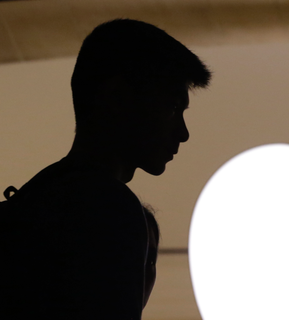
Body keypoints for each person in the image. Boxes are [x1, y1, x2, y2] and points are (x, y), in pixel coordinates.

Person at [1, 19, 211, 319]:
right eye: (173, 108)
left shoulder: (33, 201)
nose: (183, 133)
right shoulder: (108, 209)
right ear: (116, 98)